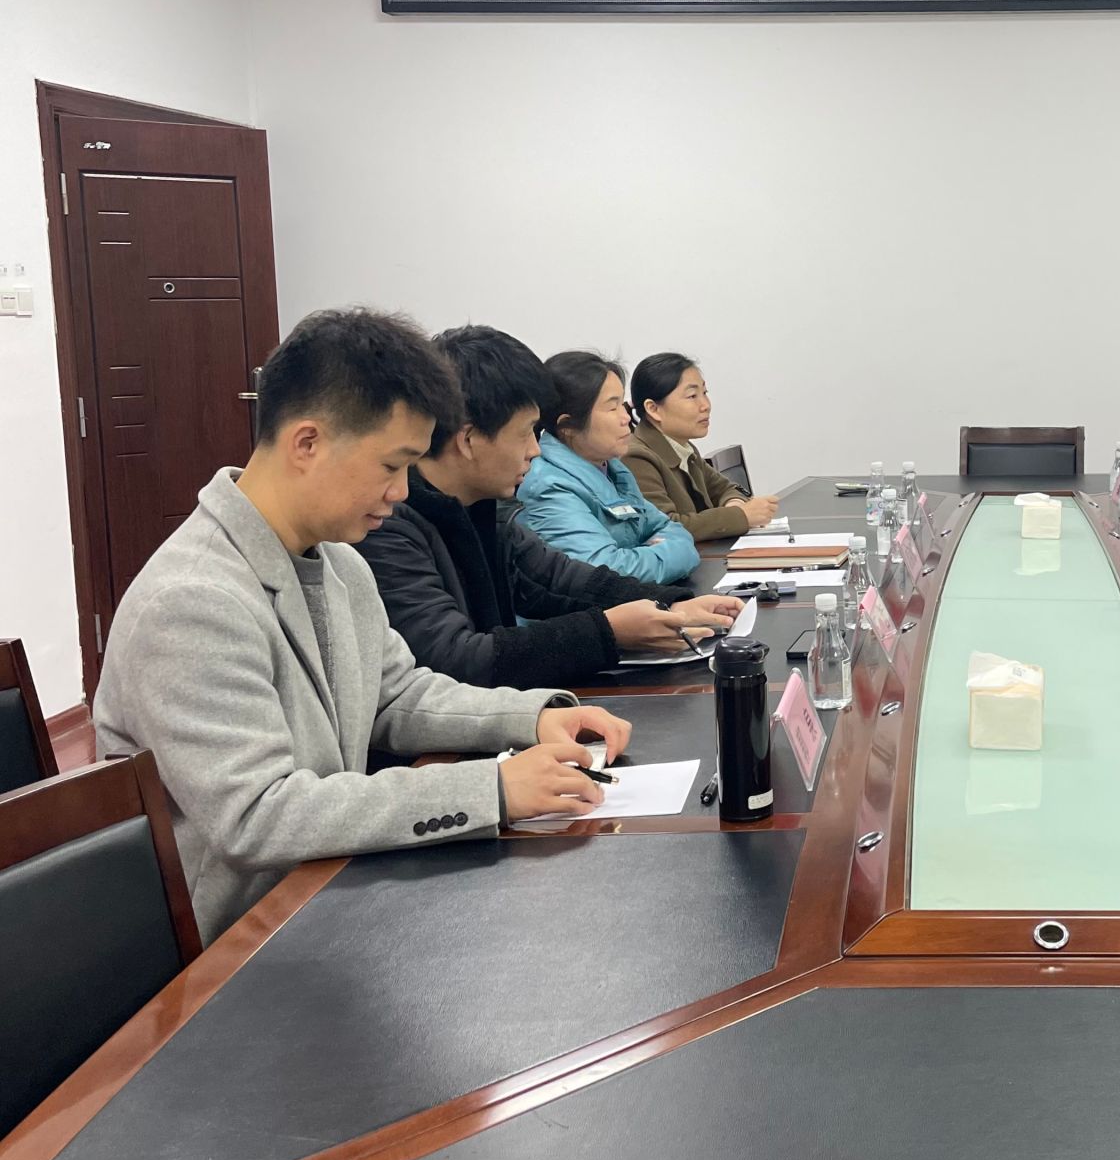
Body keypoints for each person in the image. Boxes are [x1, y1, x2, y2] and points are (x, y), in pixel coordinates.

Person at [93, 308, 628, 944]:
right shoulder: (192, 601)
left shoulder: (339, 561)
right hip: (242, 943)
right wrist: (489, 788)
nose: (402, 491)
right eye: (390, 465)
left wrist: (532, 716)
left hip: (330, 892)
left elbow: (396, 693)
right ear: (307, 443)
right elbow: (259, 815)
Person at [360, 326, 741, 690]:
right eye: (524, 433)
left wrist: (674, 606)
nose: (535, 449)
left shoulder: (484, 507)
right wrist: (608, 631)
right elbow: (457, 659)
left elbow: (561, 578)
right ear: (469, 439)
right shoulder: (387, 525)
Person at [518, 351, 700, 584]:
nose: (626, 418)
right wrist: (669, 552)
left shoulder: (612, 468)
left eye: (622, 404)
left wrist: (650, 553)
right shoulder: (547, 487)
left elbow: (670, 528)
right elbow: (604, 573)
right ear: (567, 426)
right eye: (612, 408)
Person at [623, 352, 780, 541]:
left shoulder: (681, 447)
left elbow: (727, 487)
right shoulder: (636, 457)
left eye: (704, 393)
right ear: (653, 409)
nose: (705, 405)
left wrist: (735, 504)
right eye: (692, 396)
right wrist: (741, 516)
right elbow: (665, 528)